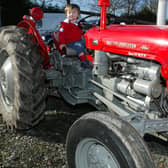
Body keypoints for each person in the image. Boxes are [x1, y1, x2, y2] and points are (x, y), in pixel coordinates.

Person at [58, 4, 89, 68]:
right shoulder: (64, 25)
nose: (71, 14)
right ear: (66, 15)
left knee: (89, 43)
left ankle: (91, 57)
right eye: (69, 13)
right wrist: (62, 43)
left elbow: (80, 33)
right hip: (70, 42)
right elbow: (61, 34)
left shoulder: (78, 24)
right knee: (79, 47)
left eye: (74, 12)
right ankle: (83, 61)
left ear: (78, 15)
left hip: (79, 40)